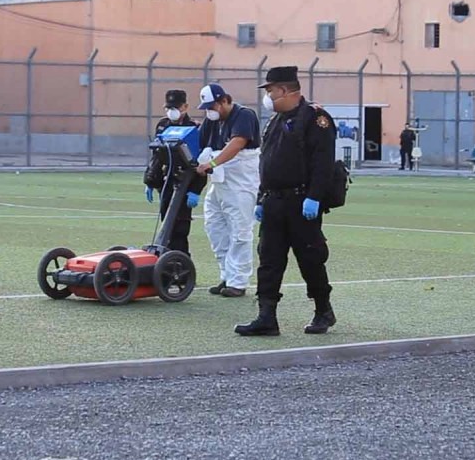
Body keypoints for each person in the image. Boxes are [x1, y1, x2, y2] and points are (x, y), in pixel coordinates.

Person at [235, 66, 336, 336]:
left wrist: (314, 197)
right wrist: (260, 198)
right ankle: (266, 317)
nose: (268, 95)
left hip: (301, 202)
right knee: (269, 260)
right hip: (273, 202)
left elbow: (322, 162)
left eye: (270, 90)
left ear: (283, 89)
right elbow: (266, 163)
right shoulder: (275, 120)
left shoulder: (315, 118)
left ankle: (323, 310)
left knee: (310, 259)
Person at [195, 83, 261, 297]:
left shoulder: (244, 115)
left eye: (212, 106)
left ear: (225, 100)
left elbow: (236, 144)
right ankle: (226, 274)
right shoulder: (211, 122)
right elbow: (200, 143)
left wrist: (212, 164)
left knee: (240, 230)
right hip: (220, 181)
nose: (209, 111)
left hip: (241, 181)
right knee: (214, 225)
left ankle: (238, 281)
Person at [143, 89, 207, 256]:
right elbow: (157, 155)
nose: (171, 111)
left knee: (180, 227)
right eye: (168, 108)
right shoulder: (163, 125)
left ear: (185, 106)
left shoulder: (195, 128)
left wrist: (196, 190)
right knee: (167, 222)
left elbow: (200, 161)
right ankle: (165, 260)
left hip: (186, 181)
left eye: (175, 107)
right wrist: (150, 181)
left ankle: (180, 263)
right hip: (166, 181)